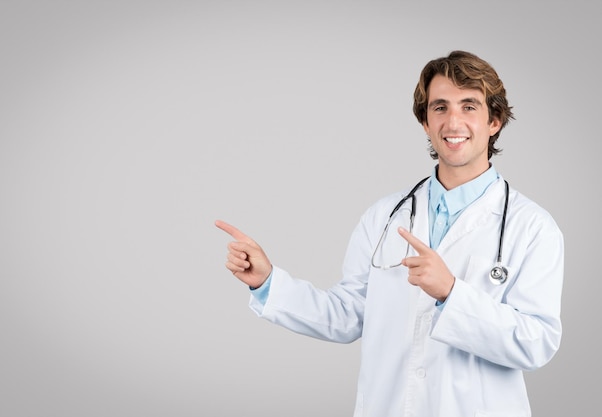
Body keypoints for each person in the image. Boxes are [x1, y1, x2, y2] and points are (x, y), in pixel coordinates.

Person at [215, 50, 563, 417]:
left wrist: (450, 292)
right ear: (426, 122)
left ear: (494, 121)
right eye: (440, 107)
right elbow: (347, 314)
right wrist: (267, 282)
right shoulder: (384, 217)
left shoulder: (532, 227)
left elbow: (536, 343)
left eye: (469, 106)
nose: (453, 121)